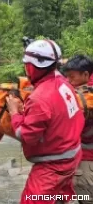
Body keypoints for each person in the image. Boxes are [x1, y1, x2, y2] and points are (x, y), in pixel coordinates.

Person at [6, 40, 84, 204]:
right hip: (72, 156)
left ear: (32, 67)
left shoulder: (39, 99)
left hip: (52, 166)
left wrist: (14, 113)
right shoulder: (63, 82)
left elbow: (26, 136)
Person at [63, 55, 93, 204]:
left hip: (86, 160)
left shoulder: (85, 97)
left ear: (86, 75)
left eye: (72, 77)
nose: (68, 81)